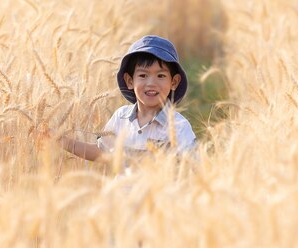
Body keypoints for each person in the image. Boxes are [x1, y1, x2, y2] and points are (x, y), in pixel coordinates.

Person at [53, 35, 196, 163]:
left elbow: (193, 166)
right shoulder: (121, 117)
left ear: (174, 82)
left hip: (159, 192)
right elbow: (102, 152)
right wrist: (60, 140)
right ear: (129, 81)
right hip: (120, 192)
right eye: (143, 75)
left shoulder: (178, 126)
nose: (151, 83)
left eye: (160, 76)